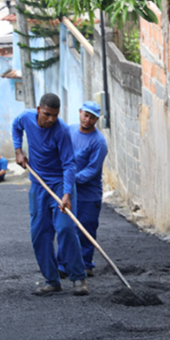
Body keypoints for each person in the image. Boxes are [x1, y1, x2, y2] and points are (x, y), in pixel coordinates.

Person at [13, 93, 89, 296]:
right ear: (39, 110)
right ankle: (52, 280)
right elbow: (16, 126)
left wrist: (66, 194)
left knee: (65, 229)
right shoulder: (26, 117)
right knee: (40, 233)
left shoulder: (61, 131)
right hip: (38, 185)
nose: (51, 120)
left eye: (55, 115)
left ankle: (78, 278)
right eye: (47, 115)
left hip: (60, 184)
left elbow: (69, 164)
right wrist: (18, 150)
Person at [64, 102, 108, 275]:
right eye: (85, 115)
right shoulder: (70, 130)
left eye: (92, 118)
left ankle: (85, 266)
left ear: (97, 119)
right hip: (69, 190)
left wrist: (70, 178)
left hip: (88, 195)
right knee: (66, 228)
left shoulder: (99, 143)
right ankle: (64, 265)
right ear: (80, 112)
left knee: (85, 230)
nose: (87, 120)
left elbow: (92, 169)